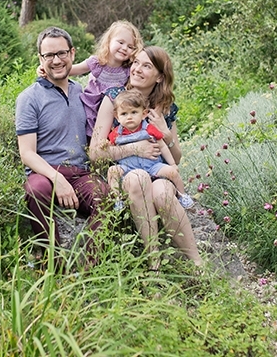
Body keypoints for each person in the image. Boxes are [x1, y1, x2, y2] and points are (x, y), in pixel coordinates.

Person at [89, 46, 204, 268]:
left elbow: (176, 158)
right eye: (136, 63)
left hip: (157, 171)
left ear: (160, 77)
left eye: (146, 66)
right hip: (126, 172)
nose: (137, 69)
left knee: (161, 193)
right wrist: (135, 149)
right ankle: (154, 263)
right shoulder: (114, 98)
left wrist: (167, 133)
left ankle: (198, 264)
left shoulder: (165, 108)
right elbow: (95, 153)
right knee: (139, 178)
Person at [16, 26, 111, 258]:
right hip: (46, 173)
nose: (56, 60)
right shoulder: (29, 98)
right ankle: (54, 264)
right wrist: (56, 178)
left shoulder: (83, 92)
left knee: (106, 198)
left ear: (72, 53)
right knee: (35, 190)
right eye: (49, 55)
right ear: (40, 58)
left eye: (61, 53)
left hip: (80, 173)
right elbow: (27, 153)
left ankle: (90, 267)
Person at [39, 20, 143, 139]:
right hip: (91, 108)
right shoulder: (97, 63)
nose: (124, 48)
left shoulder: (128, 69)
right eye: (120, 42)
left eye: (130, 47)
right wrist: (45, 69)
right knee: (86, 137)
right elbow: (70, 70)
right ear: (109, 41)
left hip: (113, 113)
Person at [108, 90, 194, 210]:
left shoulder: (149, 129)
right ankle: (117, 199)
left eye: (134, 112)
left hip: (152, 165)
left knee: (172, 172)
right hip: (128, 168)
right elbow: (111, 151)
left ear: (143, 114)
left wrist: (173, 164)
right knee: (112, 171)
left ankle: (183, 196)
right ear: (117, 116)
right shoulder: (116, 133)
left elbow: (162, 146)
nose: (129, 117)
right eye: (124, 114)